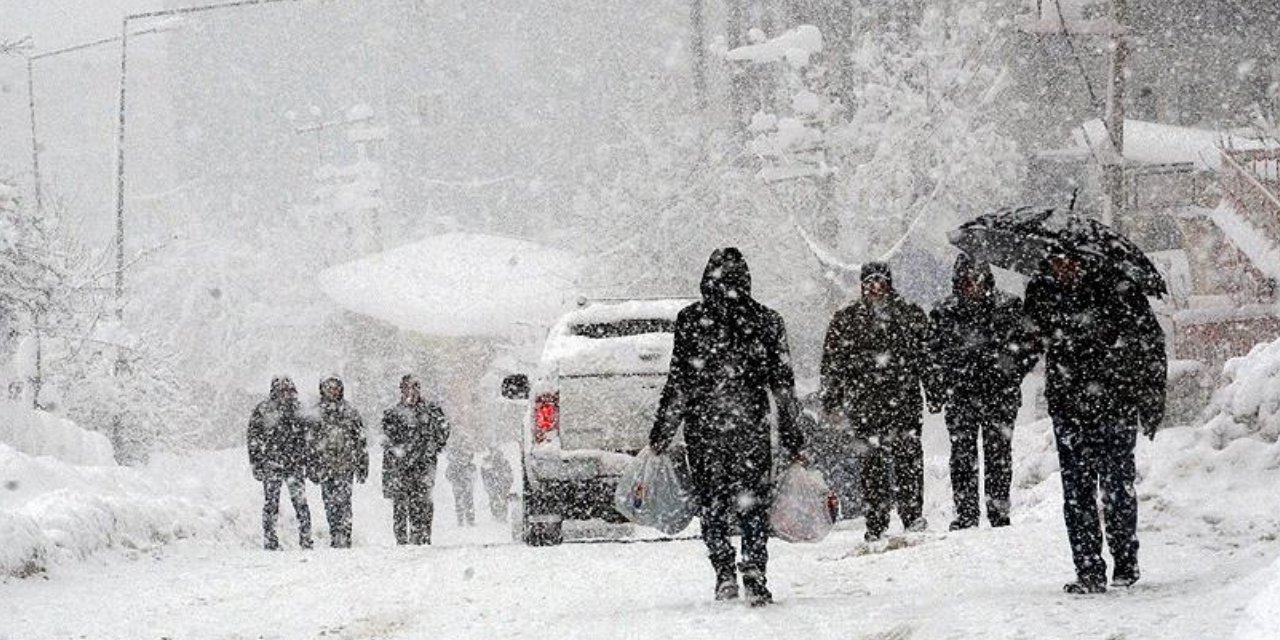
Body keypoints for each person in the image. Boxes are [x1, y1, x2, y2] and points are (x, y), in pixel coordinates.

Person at [649, 247, 805, 607]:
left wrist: (662, 431)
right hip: (750, 427)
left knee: (713, 503)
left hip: (705, 429)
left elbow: (680, 384)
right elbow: (783, 386)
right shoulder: (766, 320)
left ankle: (723, 572)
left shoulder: (690, 320)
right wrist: (793, 435)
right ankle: (754, 570)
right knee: (753, 503)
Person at [1024, 253, 1166, 594]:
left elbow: (1150, 344)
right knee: (1077, 493)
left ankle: (1125, 562)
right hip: (1069, 407)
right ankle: (1088, 569)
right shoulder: (1043, 291)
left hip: (1114, 404)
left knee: (1116, 487)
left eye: (1069, 261)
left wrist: (1150, 400)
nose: (1063, 268)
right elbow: (1028, 342)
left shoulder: (1118, 288)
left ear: (1085, 260)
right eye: (1056, 261)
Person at [820, 261, 932, 542]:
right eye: (869, 281)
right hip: (865, 404)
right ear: (862, 284)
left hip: (904, 401)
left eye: (880, 281)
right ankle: (876, 521)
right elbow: (833, 363)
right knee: (872, 466)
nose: (875, 287)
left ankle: (912, 514)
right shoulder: (847, 319)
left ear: (890, 283)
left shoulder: (910, 314)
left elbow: (928, 357)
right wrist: (832, 400)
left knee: (908, 461)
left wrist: (935, 391)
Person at [927, 254, 1039, 530]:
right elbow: (931, 354)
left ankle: (998, 512)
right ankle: (966, 514)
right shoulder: (943, 313)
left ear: (986, 279)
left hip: (999, 394)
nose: (972, 286)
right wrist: (941, 385)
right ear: (958, 282)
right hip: (962, 395)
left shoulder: (1009, 307)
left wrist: (1011, 373)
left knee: (998, 454)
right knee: (963, 455)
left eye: (976, 279)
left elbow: (1030, 346)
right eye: (966, 280)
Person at [382, 374, 450, 545]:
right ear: (401, 391)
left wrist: (433, 447)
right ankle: (402, 539)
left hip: (424, 464)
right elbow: (387, 440)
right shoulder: (393, 413)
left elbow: (443, 430)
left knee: (423, 501)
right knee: (400, 503)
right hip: (400, 465)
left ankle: (422, 536)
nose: (410, 392)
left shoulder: (431, 411)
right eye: (406, 388)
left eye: (414, 388)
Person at [247, 376, 313, 550]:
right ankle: (270, 539)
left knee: (300, 503)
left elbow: (309, 438)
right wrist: (256, 462)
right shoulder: (263, 410)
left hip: (294, 464)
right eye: (282, 390)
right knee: (271, 503)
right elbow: (253, 438)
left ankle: (306, 538)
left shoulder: (299, 410)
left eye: (288, 390)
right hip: (272, 463)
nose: (286, 393)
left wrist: (308, 459)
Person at [310, 376, 368, 548]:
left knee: (344, 501)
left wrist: (362, 464)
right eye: (329, 387)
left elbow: (360, 440)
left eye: (335, 387)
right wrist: (312, 465)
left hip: (345, 466)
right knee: (329, 503)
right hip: (325, 466)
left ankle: (345, 535)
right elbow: (310, 443)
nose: (332, 391)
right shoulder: (316, 413)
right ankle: (335, 533)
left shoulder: (350, 412)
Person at [445, 442, 477, 527]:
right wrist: (456, 480)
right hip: (460, 486)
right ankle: (464, 520)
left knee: (466, 502)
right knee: (463, 502)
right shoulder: (455, 465)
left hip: (464, 486)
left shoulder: (468, 465)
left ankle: (467, 520)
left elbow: (474, 475)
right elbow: (448, 475)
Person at [480, 447, 514, 522]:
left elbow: (509, 474)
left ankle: (500, 516)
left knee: (499, 499)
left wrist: (508, 482)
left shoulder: (502, 463)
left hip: (500, 484)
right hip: (497, 484)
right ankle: (499, 515)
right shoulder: (489, 462)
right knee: (498, 499)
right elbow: (484, 474)